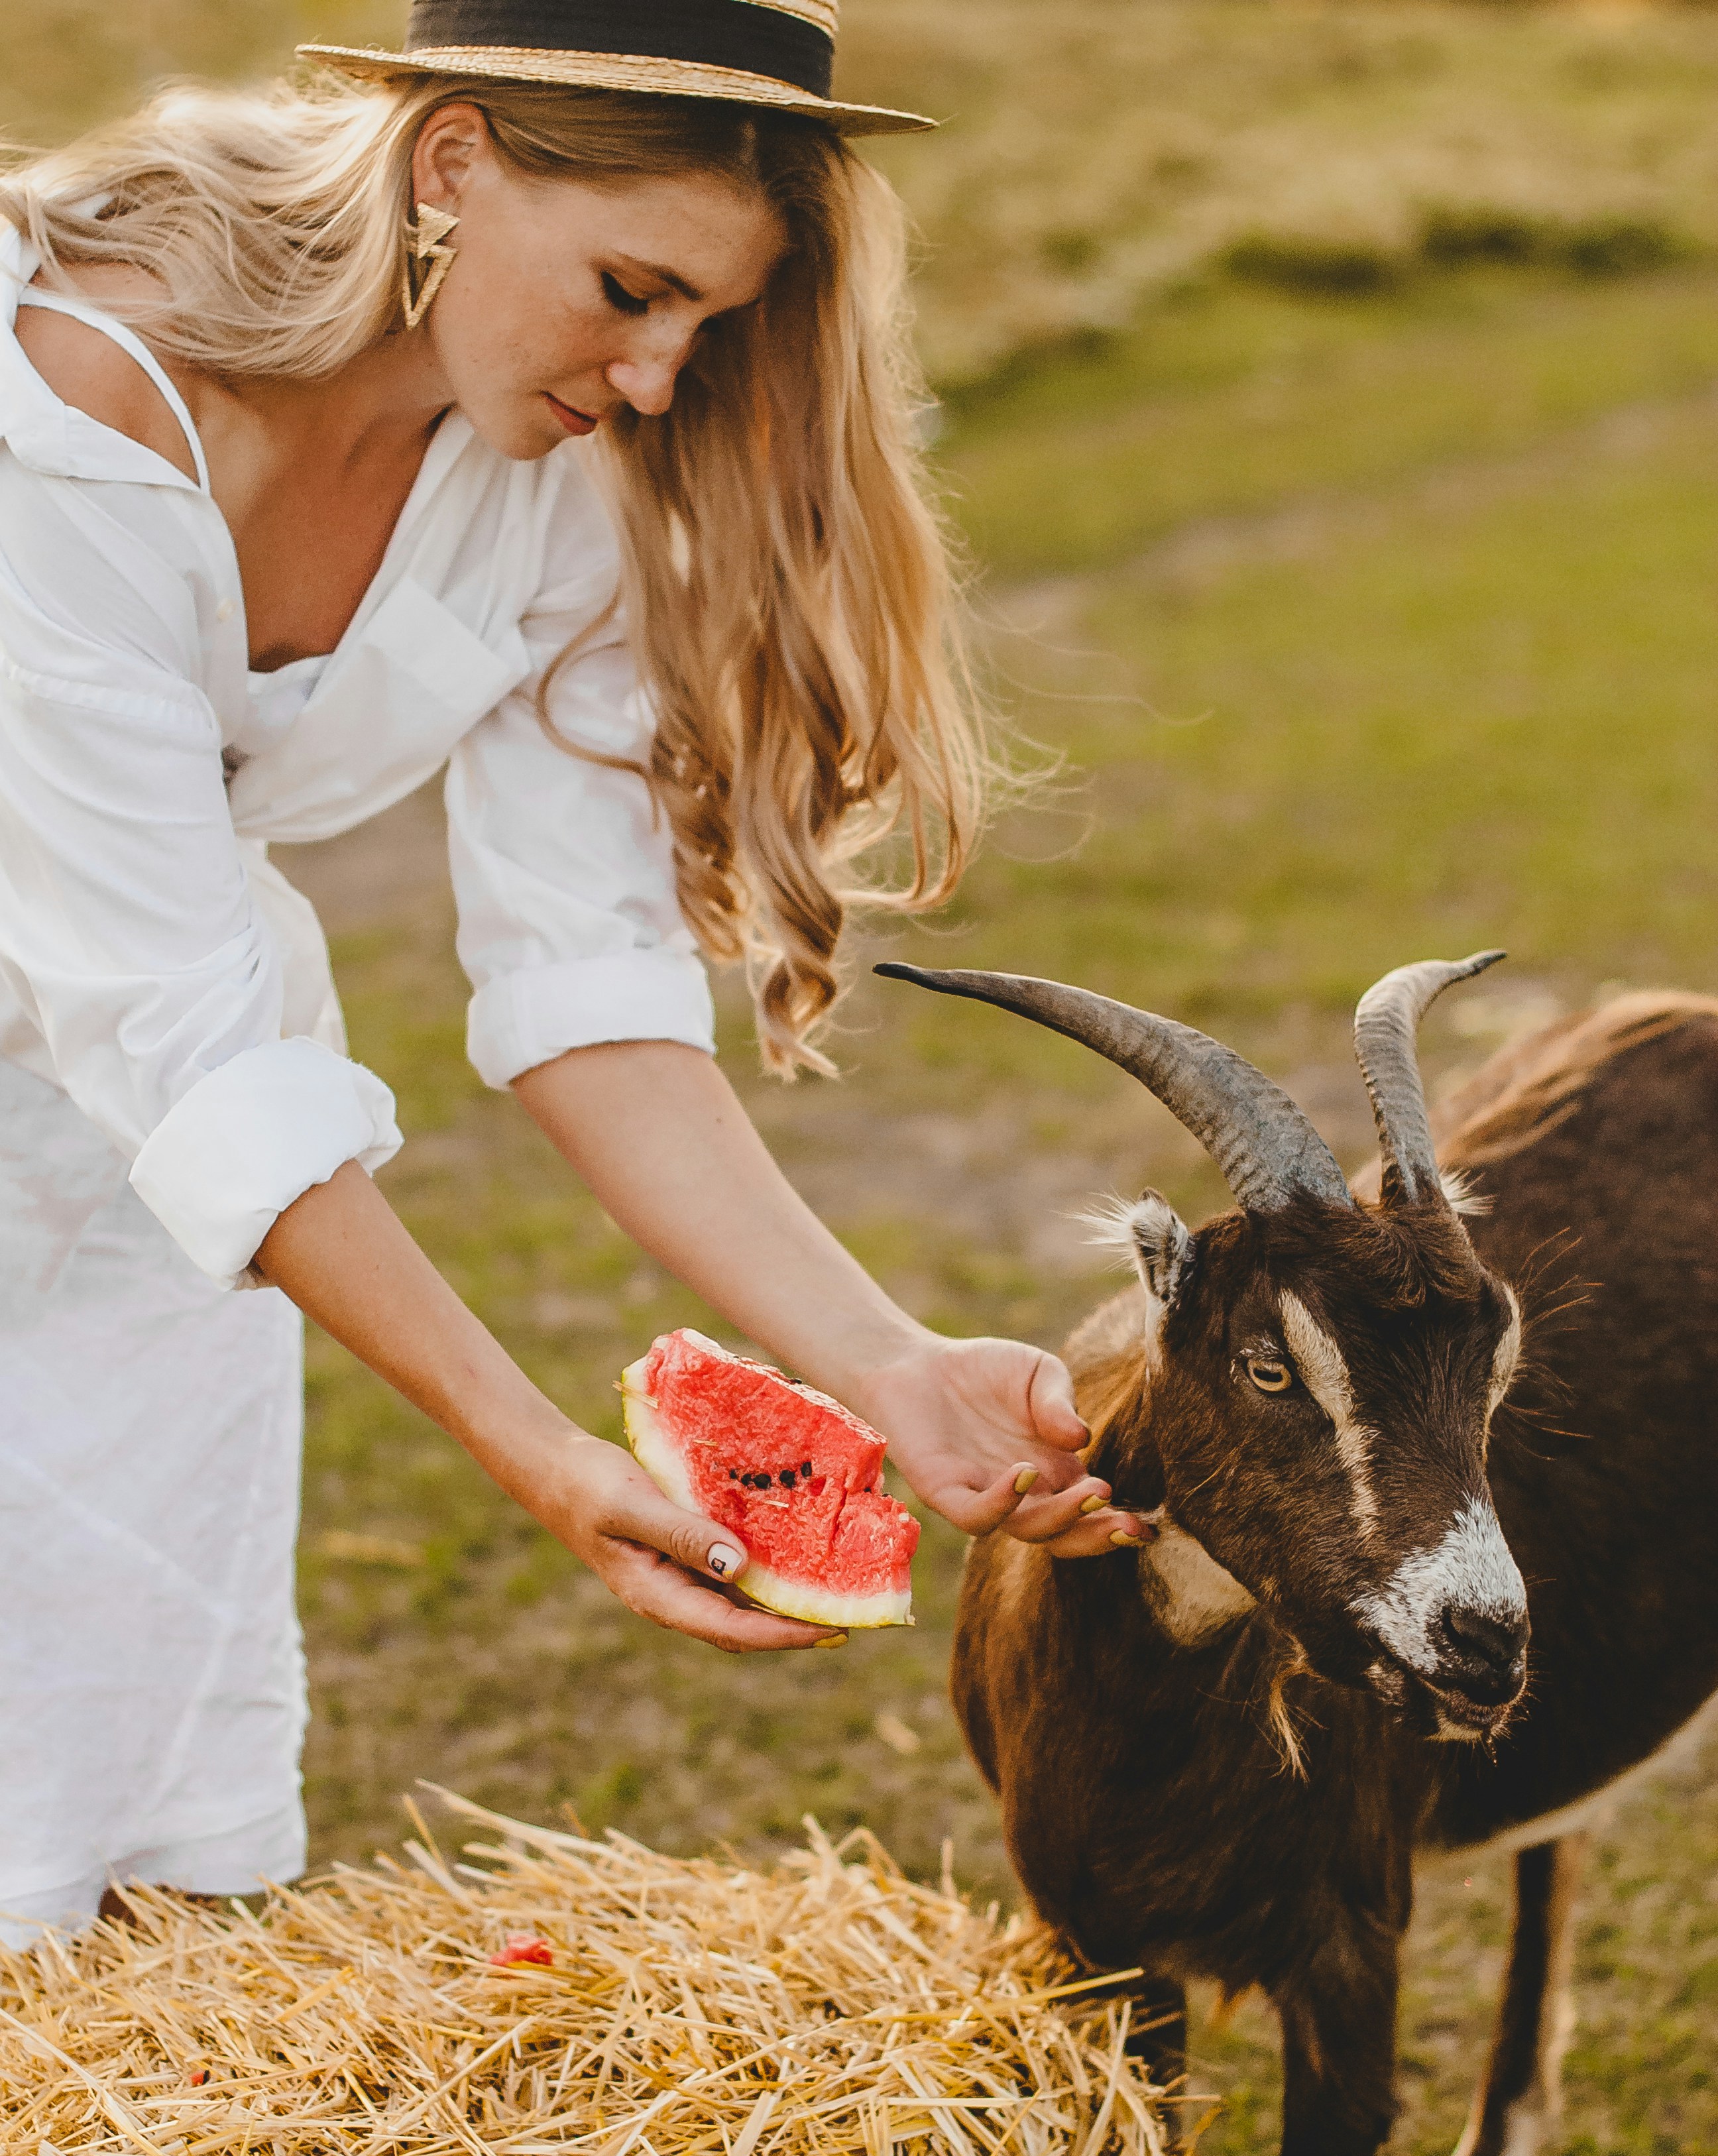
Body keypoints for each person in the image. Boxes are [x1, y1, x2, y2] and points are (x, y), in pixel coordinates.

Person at [0, 0, 1137, 1945]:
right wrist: (529, 1447)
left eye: (708, 321)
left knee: (127, 1815)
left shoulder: (551, 463)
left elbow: (588, 983)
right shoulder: (64, 418)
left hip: (154, 1176)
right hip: (171, 1071)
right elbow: (173, 1028)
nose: (659, 373)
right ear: (451, 162)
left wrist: (885, 1361)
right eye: (632, 290)